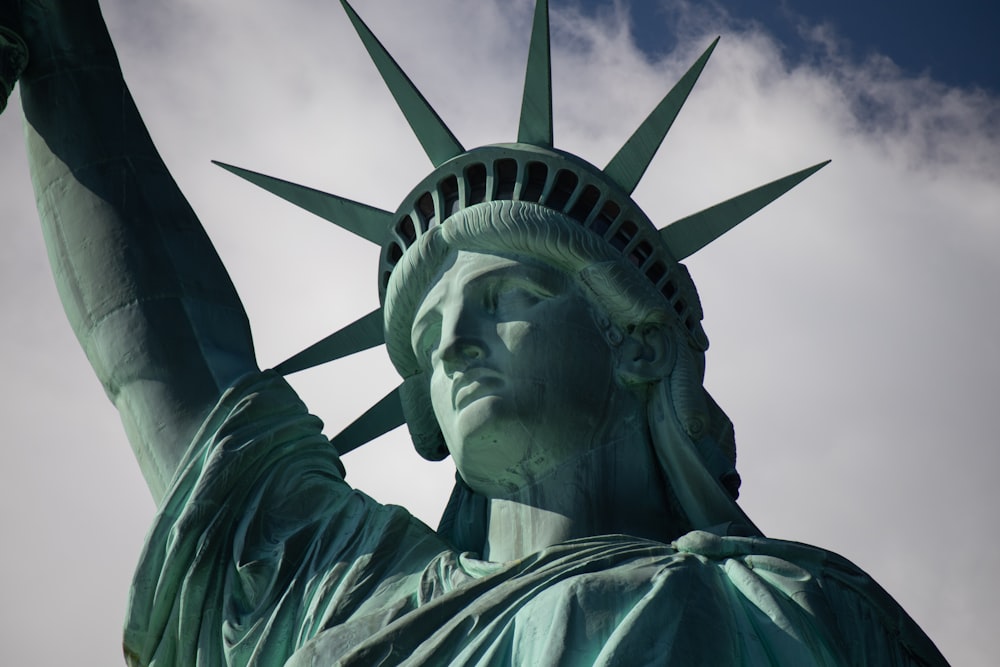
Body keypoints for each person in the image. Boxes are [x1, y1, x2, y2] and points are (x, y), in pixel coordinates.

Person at [1, 1, 949, 665]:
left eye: (507, 300)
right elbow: (163, 361)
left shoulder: (808, 616)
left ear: (639, 345)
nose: (452, 342)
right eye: (426, 333)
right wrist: (59, 40)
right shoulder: (350, 595)